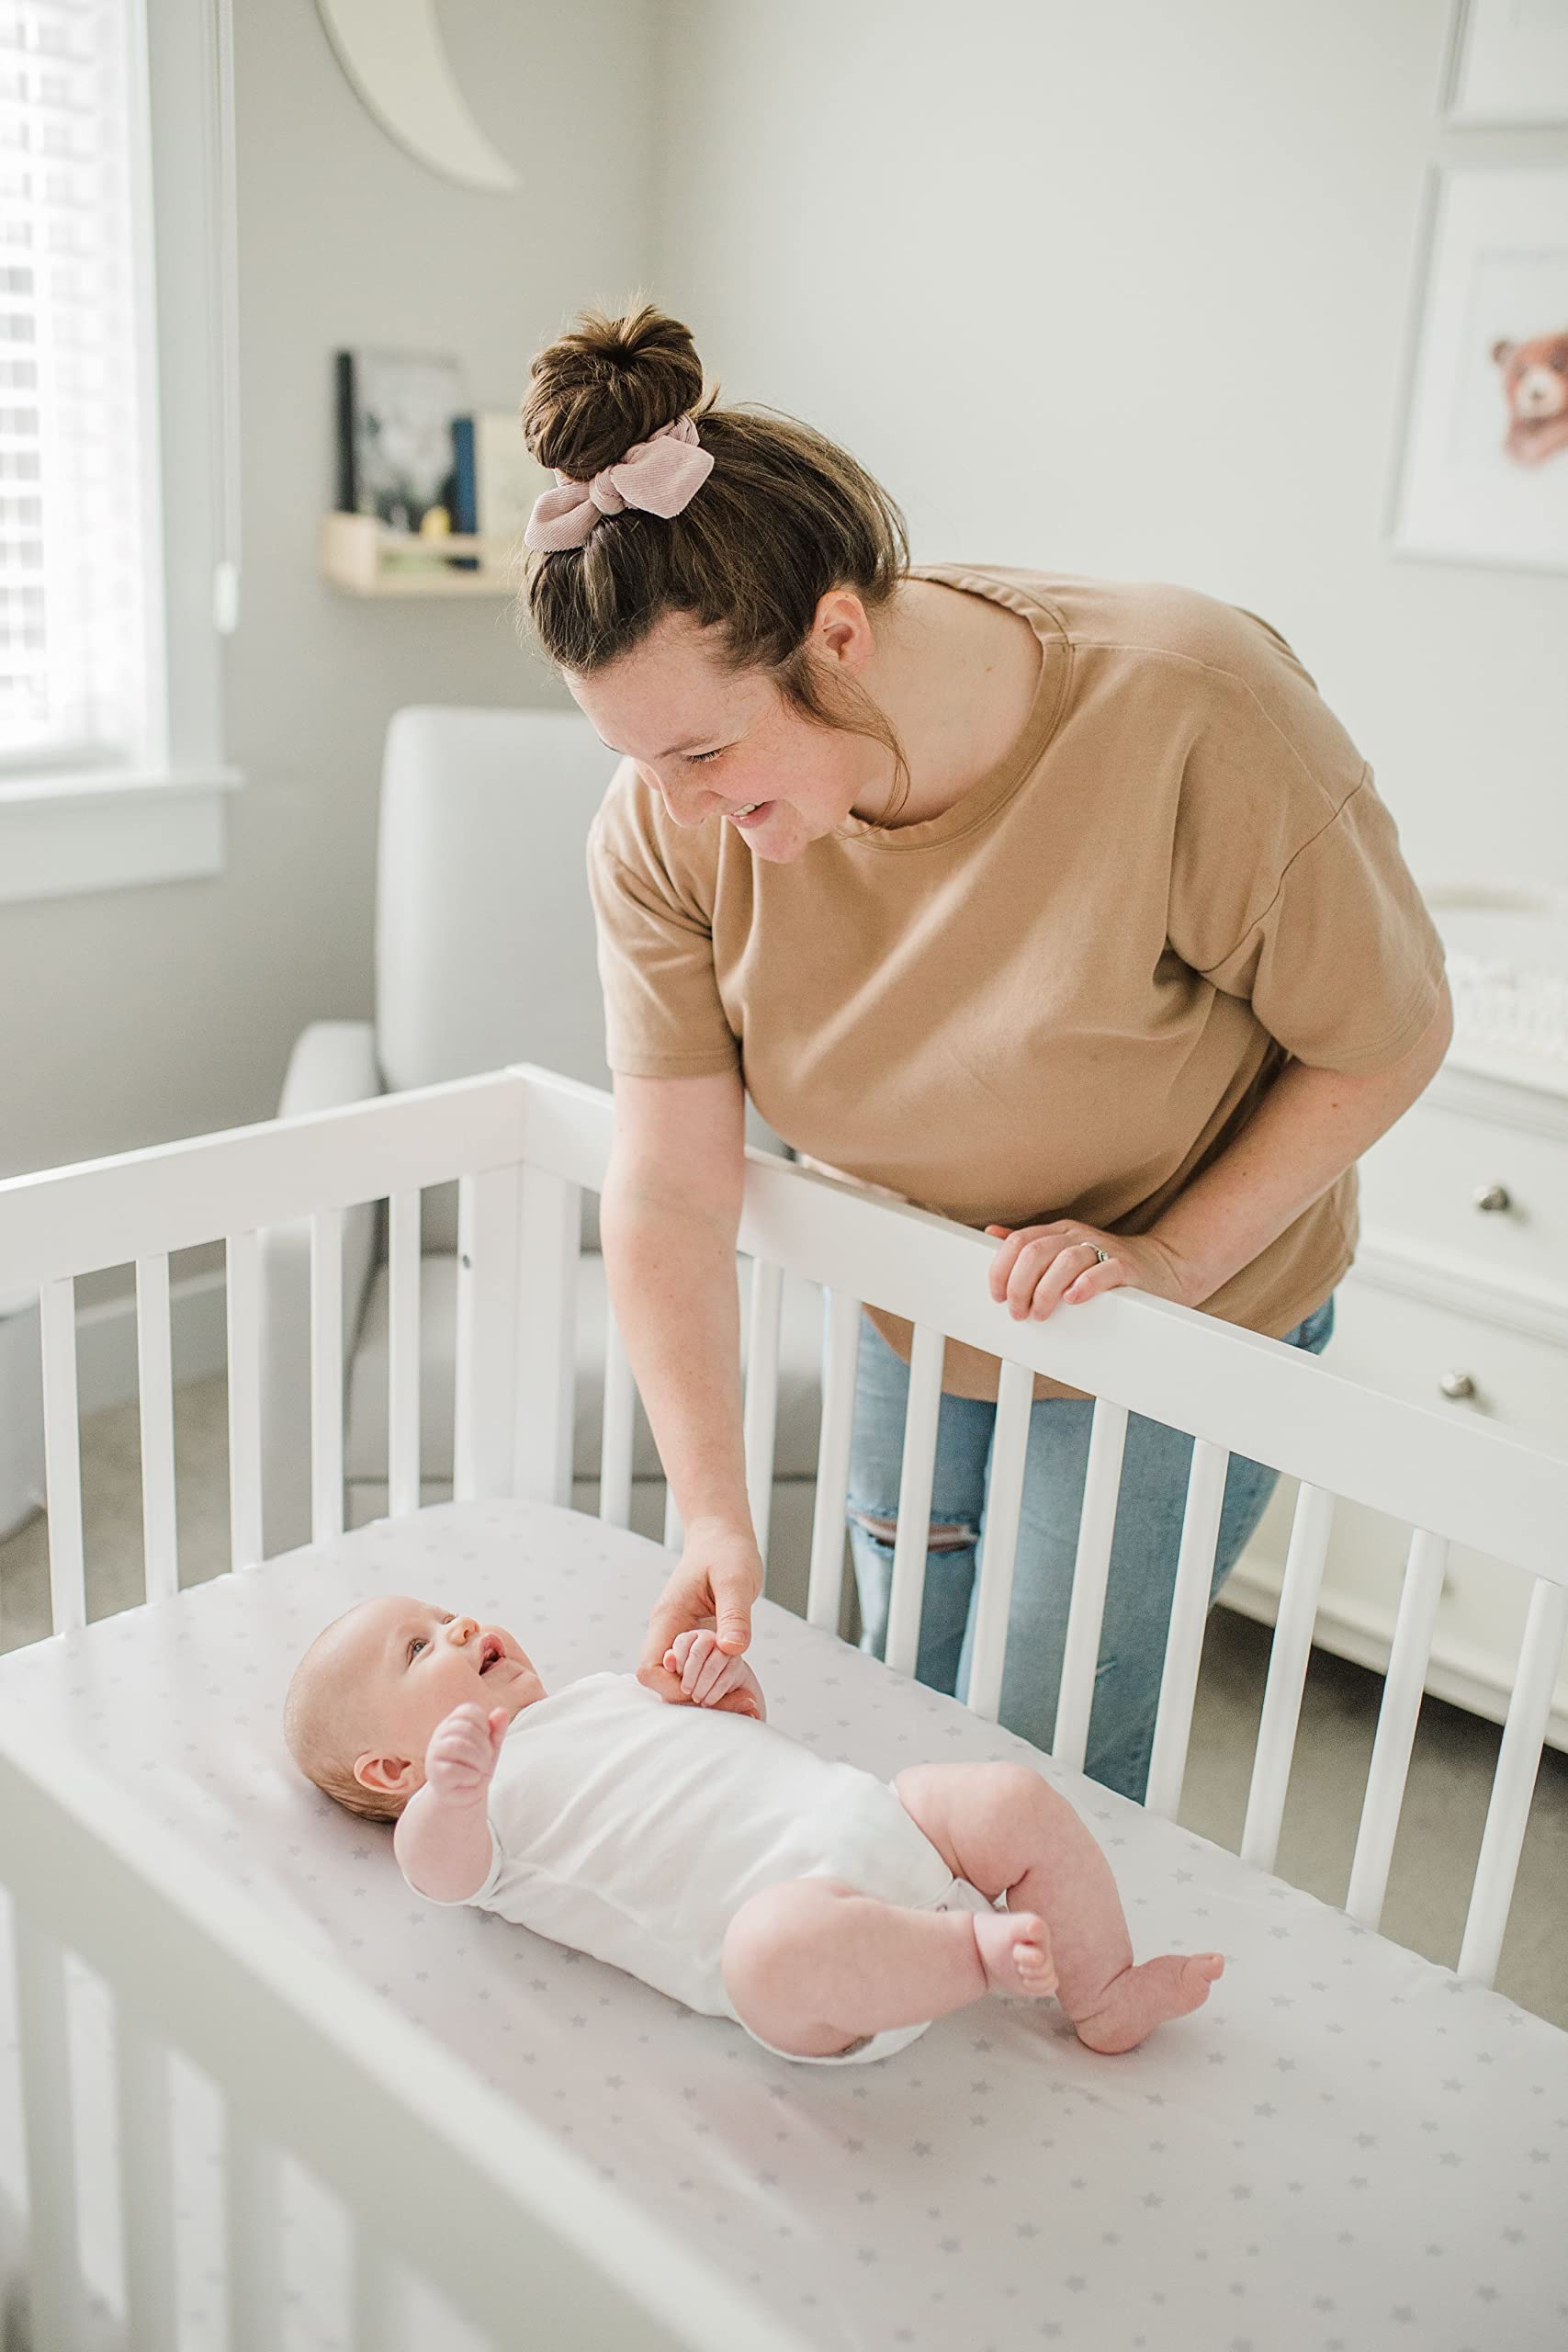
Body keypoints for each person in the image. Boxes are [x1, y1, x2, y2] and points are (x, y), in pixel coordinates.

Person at [518, 300, 1452, 1803]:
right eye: (634, 762)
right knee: (897, 1670)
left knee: (1044, 1738)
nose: (674, 808)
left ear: (835, 634)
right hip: (921, 1293)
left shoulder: (1188, 712)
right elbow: (674, 1190)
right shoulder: (661, 829)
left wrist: (1169, 1263)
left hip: (1179, 1314)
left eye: (701, 752)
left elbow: (1391, 1038)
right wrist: (709, 1515)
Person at [282, 1594, 1224, 2064]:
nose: (458, 1628)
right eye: (420, 1648)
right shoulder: (466, 1815)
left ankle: (1103, 1992)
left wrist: (725, 1692)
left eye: (446, 1615)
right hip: (799, 1927)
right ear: (392, 1771)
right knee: (768, 1952)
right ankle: (969, 1956)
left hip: (880, 1818)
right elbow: (437, 1874)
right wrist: (451, 1791)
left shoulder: (609, 1692)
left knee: (1008, 1797)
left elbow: (738, 1749)